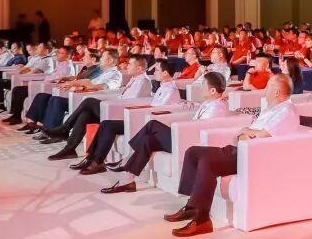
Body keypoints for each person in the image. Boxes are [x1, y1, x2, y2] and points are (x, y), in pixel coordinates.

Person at [165, 73, 302, 237]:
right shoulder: (274, 108)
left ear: (277, 92)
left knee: (207, 162)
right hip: (241, 149)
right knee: (193, 152)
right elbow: (251, 132)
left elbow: (262, 135)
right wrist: (246, 132)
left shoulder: (286, 111)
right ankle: (192, 206)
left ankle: (202, 221)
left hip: (252, 156)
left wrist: (245, 132)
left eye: (268, 86)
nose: (264, 89)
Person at [99, 72, 231, 194]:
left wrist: (180, 128)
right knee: (148, 140)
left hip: (190, 143)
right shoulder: (211, 102)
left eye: (203, 85)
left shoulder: (217, 108)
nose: (201, 88)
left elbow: (199, 129)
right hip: (185, 136)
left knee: (153, 125)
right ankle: (128, 181)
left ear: (213, 91)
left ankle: (127, 159)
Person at [75, 58, 184, 174]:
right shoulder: (163, 86)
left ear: (165, 73)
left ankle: (98, 161)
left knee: (109, 125)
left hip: (152, 123)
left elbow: (160, 111)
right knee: (106, 123)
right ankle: (91, 158)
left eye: (157, 70)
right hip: (145, 118)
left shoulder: (170, 90)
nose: (154, 72)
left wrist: (139, 112)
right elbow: (153, 106)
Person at [45, 55, 154, 157]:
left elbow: (134, 103)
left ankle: (64, 129)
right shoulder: (135, 79)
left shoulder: (143, 81)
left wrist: (110, 104)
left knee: (89, 101)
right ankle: (70, 149)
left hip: (123, 114)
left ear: (139, 68)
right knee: (85, 115)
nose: (127, 66)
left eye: (130, 64)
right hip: (116, 109)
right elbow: (123, 98)